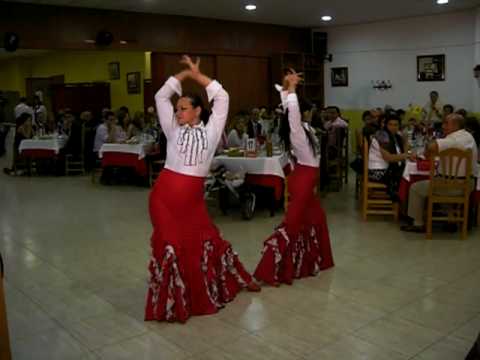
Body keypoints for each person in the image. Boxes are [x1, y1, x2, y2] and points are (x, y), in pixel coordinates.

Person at [145, 55, 259, 323]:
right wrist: (181, 78)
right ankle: (172, 302)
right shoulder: (172, 129)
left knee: (204, 242)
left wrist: (198, 76)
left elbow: (223, 98)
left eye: (183, 108)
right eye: (178, 108)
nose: (178, 112)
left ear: (197, 111)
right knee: (172, 246)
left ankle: (207, 288)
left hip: (192, 202)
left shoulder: (212, 130)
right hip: (163, 199)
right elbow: (161, 98)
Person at [254, 69, 334, 286]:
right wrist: (292, 89)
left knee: (316, 218)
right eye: (309, 110)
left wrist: (287, 91)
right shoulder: (297, 132)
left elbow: (290, 111)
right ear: (306, 112)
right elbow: (293, 114)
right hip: (303, 179)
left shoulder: (304, 130)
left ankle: (314, 261)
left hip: (306, 178)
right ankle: (268, 269)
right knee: (291, 224)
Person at [401, 114, 478, 232]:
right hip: (468, 183)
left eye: (446, 123)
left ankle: (418, 223)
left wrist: (427, 150)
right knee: (440, 179)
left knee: (416, 188)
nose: (443, 126)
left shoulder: (454, 139)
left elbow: (432, 147)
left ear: (455, 125)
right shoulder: (467, 136)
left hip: (453, 186)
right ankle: (450, 219)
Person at [368, 114, 413, 200]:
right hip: (377, 172)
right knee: (407, 176)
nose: (393, 127)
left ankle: (405, 205)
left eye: (396, 125)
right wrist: (407, 155)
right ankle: (402, 203)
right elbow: (389, 158)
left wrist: (406, 140)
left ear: (399, 126)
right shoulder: (381, 136)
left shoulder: (396, 137)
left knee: (409, 173)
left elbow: (404, 153)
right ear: (385, 125)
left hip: (389, 169)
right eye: (390, 124)